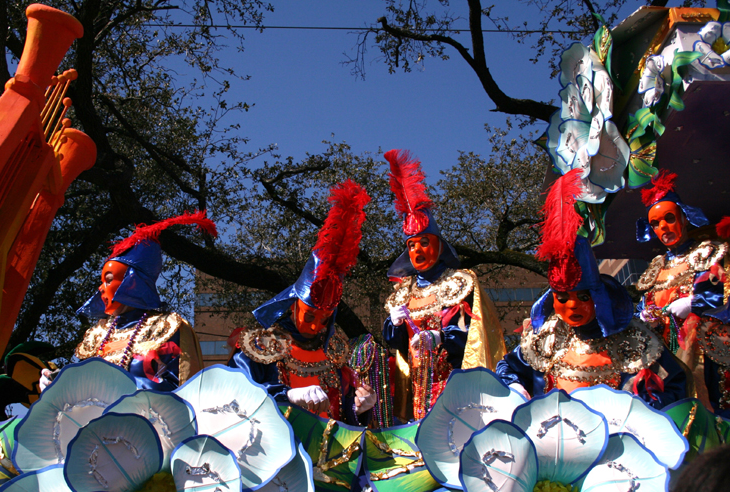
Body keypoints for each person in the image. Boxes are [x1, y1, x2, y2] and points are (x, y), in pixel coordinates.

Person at [496, 170, 687, 408]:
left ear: (599, 296)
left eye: (583, 296)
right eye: (563, 298)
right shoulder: (546, 337)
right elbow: (508, 368)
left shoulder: (634, 337)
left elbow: (674, 384)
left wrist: (643, 409)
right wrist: (516, 388)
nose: (573, 306)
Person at [228, 180, 376, 422]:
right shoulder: (262, 346)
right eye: (309, 315)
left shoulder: (334, 353)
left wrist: (359, 408)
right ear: (294, 304)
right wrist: (285, 396)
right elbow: (235, 395)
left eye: (324, 319)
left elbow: (341, 411)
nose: (316, 327)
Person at [380, 149, 505, 421]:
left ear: (438, 245)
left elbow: (471, 333)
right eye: (411, 245)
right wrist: (395, 325)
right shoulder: (403, 293)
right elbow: (397, 346)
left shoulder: (458, 283)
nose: (417, 250)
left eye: (424, 243)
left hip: (451, 387)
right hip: (413, 390)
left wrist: (441, 337)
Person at [61, 212, 214, 391]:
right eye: (102, 281)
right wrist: (59, 382)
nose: (101, 288)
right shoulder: (98, 334)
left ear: (132, 283)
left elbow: (184, 390)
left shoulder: (166, 328)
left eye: (108, 280)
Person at [634, 170, 730, 416]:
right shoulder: (655, 268)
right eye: (656, 224)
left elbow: (723, 292)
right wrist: (645, 316)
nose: (663, 227)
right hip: (665, 354)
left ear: (684, 218)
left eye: (669, 218)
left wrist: (695, 303)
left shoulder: (706, 254)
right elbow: (644, 306)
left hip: (703, 350)